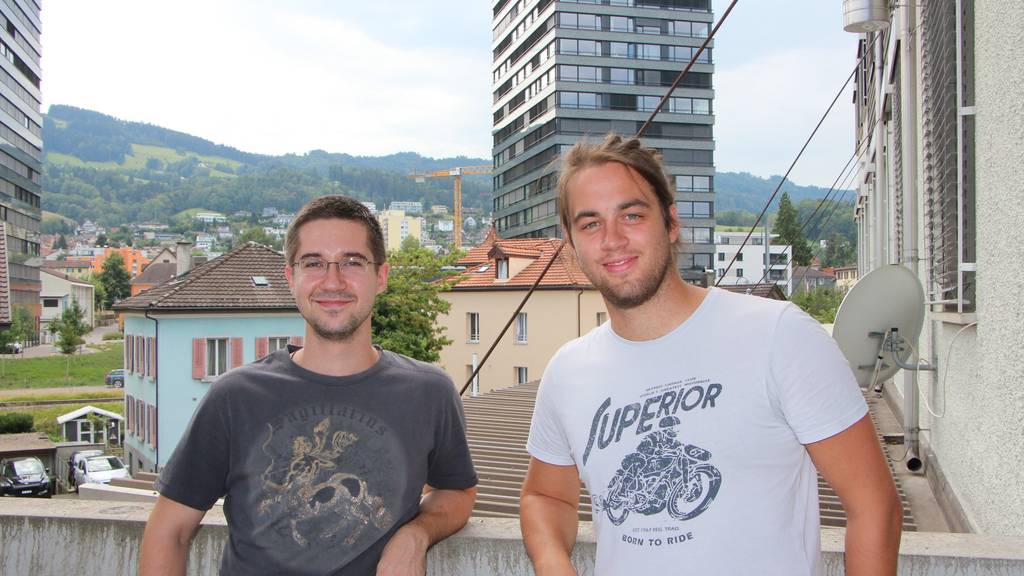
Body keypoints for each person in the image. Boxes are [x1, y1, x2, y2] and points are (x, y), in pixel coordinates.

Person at [520, 134, 902, 576]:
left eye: (632, 214)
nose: (612, 239)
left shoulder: (779, 334)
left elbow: (875, 506)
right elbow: (546, 496)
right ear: (571, 242)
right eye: (590, 224)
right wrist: (551, 561)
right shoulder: (567, 371)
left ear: (671, 222)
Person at [140, 195, 477, 575]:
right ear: (291, 277)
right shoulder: (235, 397)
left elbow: (456, 492)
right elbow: (169, 531)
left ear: (381, 277)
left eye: (352, 262)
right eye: (314, 263)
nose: (332, 281)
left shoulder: (429, 392)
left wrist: (415, 535)